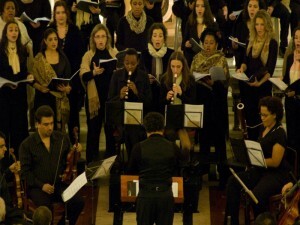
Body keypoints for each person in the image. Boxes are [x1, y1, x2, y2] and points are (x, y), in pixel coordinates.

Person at [225, 96, 291, 225]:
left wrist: (256, 160)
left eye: (265, 115)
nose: (262, 118)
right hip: (261, 170)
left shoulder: (280, 133)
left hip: (276, 174)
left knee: (256, 196)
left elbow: (275, 162)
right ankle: (233, 221)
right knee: (233, 182)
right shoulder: (263, 127)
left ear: (275, 115)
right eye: (261, 114)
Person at [19, 105, 84, 225]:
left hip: (59, 184)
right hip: (38, 188)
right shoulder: (26, 145)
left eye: (51, 123)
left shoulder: (62, 138)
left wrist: (77, 150)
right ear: (37, 124)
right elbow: (25, 173)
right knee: (45, 210)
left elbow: (70, 159)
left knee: (78, 201)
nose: (50, 127)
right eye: (46, 124)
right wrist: (42, 185)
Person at [127, 112, 189, 225]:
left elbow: (131, 172)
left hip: (145, 196)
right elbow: (183, 165)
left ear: (145, 128)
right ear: (163, 128)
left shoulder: (138, 147)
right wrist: (186, 146)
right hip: (165, 195)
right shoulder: (172, 147)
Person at [190, 27, 230, 188]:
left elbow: (225, 81)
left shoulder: (221, 59)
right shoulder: (196, 58)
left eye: (211, 43)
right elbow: (191, 78)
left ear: (216, 44)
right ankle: (203, 170)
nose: (208, 46)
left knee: (219, 141)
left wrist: (215, 82)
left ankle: (223, 175)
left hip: (217, 103)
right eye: (205, 43)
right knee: (204, 140)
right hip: (202, 103)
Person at [236, 9, 277, 141]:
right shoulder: (250, 40)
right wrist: (241, 68)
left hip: (263, 86)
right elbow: (245, 61)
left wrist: (259, 82)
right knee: (250, 120)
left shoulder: (272, 43)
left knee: (262, 121)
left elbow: (269, 68)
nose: (259, 27)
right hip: (248, 85)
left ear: (267, 25)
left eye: (262, 24)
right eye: (257, 24)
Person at [48, 0, 85, 144]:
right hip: (54, 80)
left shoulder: (75, 31)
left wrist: (71, 83)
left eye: (63, 12)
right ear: (54, 14)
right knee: (56, 120)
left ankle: (74, 153)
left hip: (72, 82)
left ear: (67, 13)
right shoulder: (50, 30)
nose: (61, 15)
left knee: (73, 118)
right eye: (58, 12)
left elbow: (80, 56)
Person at [80, 23, 118, 163]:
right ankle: (92, 166)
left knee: (110, 133)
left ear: (107, 38)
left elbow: (122, 72)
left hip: (110, 99)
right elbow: (83, 75)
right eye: (97, 37)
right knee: (93, 134)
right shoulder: (88, 55)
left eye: (103, 36)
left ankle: (111, 165)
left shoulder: (114, 53)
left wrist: (117, 73)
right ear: (93, 39)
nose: (100, 40)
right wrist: (94, 72)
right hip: (94, 100)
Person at [108, 48, 152, 157]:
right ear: (123, 62)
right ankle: (131, 162)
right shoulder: (117, 75)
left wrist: (137, 92)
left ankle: (133, 161)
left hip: (138, 117)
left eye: (133, 64)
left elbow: (149, 102)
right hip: (121, 116)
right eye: (127, 63)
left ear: (137, 63)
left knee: (133, 130)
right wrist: (120, 96)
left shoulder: (143, 76)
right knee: (127, 130)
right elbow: (110, 100)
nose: (130, 66)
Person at [0, 21, 34, 163]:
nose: (14, 33)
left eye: (16, 30)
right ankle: (5, 163)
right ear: (5, 33)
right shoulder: (1, 50)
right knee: (4, 127)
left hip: (19, 94)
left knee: (19, 128)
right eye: (11, 30)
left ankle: (20, 162)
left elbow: (23, 72)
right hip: (4, 95)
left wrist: (28, 77)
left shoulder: (22, 50)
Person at [32, 28, 72, 132]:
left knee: (57, 132)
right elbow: (32, 79)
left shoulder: (63, 57)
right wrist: (40, 87)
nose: (54, 42)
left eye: (55, 39)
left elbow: (68, 78)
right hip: (43, 98)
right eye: (50, 39)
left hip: (59, 99)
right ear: (45, 41)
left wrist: (67, 88)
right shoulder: (39, 58)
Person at [140, 22, 174, 112]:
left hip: (165, 91)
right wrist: (146, 77)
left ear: (164, 38)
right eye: (154, 36)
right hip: (149, 91)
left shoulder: (171, 54)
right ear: (151, 38)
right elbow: (140, 73)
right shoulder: (144, 54)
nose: (157, 39)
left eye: (160, 36)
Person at [282, 26, 300, 176]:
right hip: (290, 103)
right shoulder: (289, 57)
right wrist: (282, 84)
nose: (298, 41)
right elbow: (288, 80)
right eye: (296, 37)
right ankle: (293, 173)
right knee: (292, 137)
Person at [182, 0, 219, 66]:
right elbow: (184, 43)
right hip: (192, 60)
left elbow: (218, 43)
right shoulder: (190, 23)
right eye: (197, 6)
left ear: (206, 8)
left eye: (202, 6)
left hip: (208, 60)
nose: (199, 8)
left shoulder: (212, 24)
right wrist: (186, 44)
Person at [0, 131, 26, 225]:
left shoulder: (0, 165)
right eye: (1, 146)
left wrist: (9, 170)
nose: (5, 149)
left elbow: (2, 177)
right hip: (5, 215)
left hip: (10, 210)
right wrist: (19, 213)